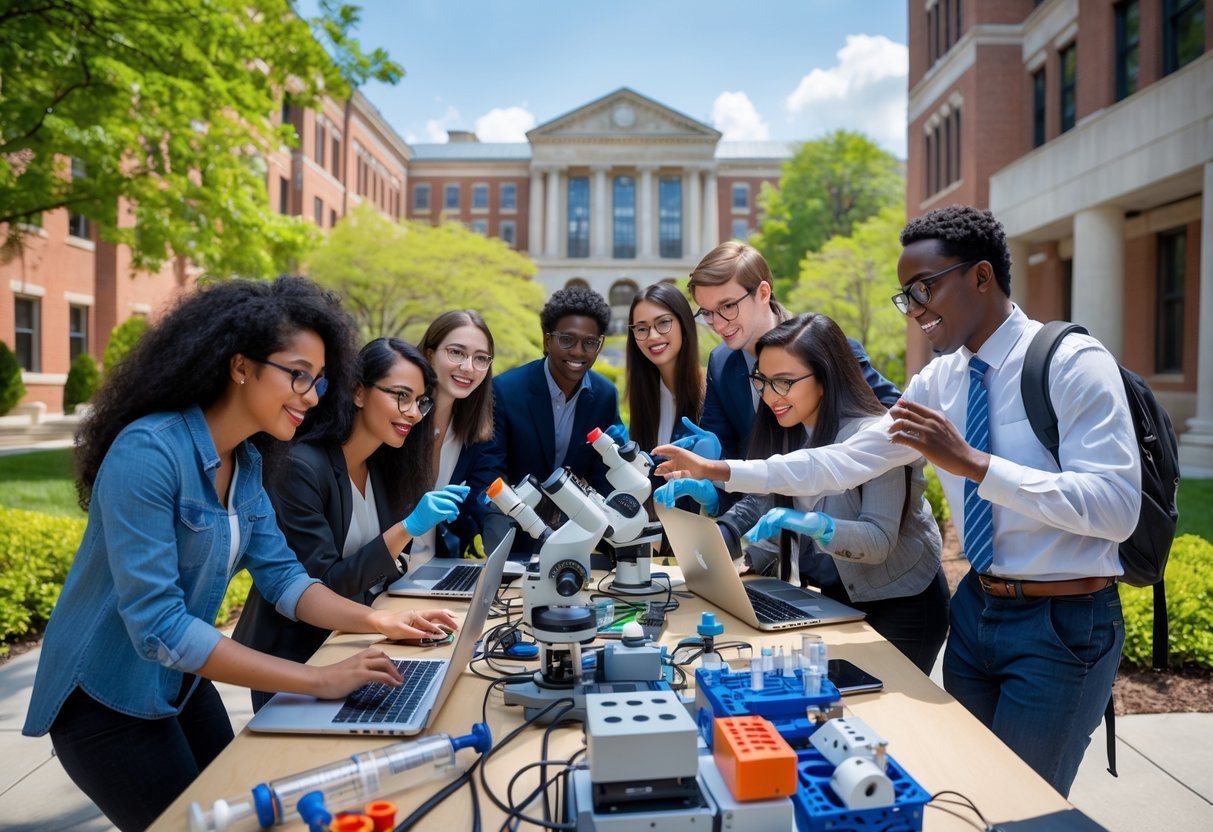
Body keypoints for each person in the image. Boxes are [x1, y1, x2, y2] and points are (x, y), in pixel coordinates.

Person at [654, 206, 1140, 796]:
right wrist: (724, 469)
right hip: (977, 610)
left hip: (1064, 623)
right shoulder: (939, 380)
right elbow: (845, 457)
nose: (912, 309)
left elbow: (1117, 507)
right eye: (903, 295)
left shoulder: (1071, 363)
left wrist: (975, 465)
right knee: (961, 791)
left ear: (982, 276)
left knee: (1020, 804)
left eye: (924, 289)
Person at [22, 278, 458, 831]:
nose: (312, 395)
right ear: (240, 366)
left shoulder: (248, 463)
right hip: (104, 701)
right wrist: (320, 679)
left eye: (320, 380)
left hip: (179, 683)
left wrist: (383, 622)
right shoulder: (148, 451)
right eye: (299, 374)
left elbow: (287, 582)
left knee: (249, 818)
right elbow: (161, 628)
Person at [658, 313, 948, 674]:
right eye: (762, 381)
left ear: (826, 378)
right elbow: (769, 518)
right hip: (839, 599)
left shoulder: (875, 436)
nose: (769, 395)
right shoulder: (788, 429)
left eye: (784, 382)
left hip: (903, 603)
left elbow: (878, 541)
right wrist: (716, 515)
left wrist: (816, 524)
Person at [232, 336, 468, 711]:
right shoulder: (302, 467)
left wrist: (402, 619)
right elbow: (323, 585)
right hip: (296, 657)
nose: (412, 412)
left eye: (420, 401)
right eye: (400, 396)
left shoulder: (385, 465)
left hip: (353, 643)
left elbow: (378, 574)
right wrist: (405, 529)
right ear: (358, 392)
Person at [684, 240, 901, 573]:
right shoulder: (721, 363)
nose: (717, 322)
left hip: (862, 547)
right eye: (707, 312)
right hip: (786, 554)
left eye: (727, 306)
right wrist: (710, 473)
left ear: (763, 292)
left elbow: (894, 424)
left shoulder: (823, 346)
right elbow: (725, 452)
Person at [481, 286, 622, 559]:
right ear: (547, 341)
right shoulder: (505, 390)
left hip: (580, 542)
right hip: (515, 541)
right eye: (567, 340)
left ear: (600, 345)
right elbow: (490, 468)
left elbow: (602, 475)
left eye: (589, 342)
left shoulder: (605, 396)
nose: (578, 352)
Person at [411, 310, 498, 561]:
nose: (468, 367)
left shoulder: (471, 433)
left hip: (434, 566)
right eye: (456, 352)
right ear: (430, 354)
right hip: (386, 571)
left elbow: (469, 508)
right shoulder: (402, 419)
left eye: (481, 358)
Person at [622, 282, 704, 451]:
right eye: (641, 328)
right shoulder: (645, 394)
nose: (652, 336)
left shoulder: (710, 392)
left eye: (663, 322)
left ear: (684, 323)